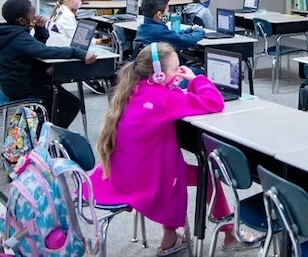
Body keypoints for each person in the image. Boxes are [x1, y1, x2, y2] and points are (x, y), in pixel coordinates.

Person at [92, 43, 251, 255]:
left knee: (176, 167)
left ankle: (171, 236)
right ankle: (231, 234)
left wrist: (173, 82)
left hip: (122, 175)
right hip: (148, 181)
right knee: (208, 175)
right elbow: (214, 102)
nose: (179, 72)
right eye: (176, 69)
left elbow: (168, 99)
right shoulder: (164, 99)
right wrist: (195, 79)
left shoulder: (132, 89)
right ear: (157, 75)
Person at [0, 0, 97, 128]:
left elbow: (35, 47)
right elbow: (44, 51)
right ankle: (45, 136)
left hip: (13, 84)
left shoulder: (9, 32)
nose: (35, 18)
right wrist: (78, 52)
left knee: (58, 91)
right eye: (32, 16)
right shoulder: (19, 38)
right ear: (22, 20)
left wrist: (40, 30)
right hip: (24, 87)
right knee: (71, 104)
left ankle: (45, 130)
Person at [50, 0, 106, 94]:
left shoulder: (60, 11)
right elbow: (76, 40)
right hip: (70, 50)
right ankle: (89, 77)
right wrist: (99, 41)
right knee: (105, 49)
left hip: (64, 46)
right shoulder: (67, 16)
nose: (80, 1)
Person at [135, 0, 205, 51]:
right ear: (159, 15)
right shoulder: (160, 31)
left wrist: (190, 30)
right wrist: (199, 31)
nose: (169, 14)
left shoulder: (143, 28)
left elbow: (174, 36)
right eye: (167, 11)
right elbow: (185, 41)